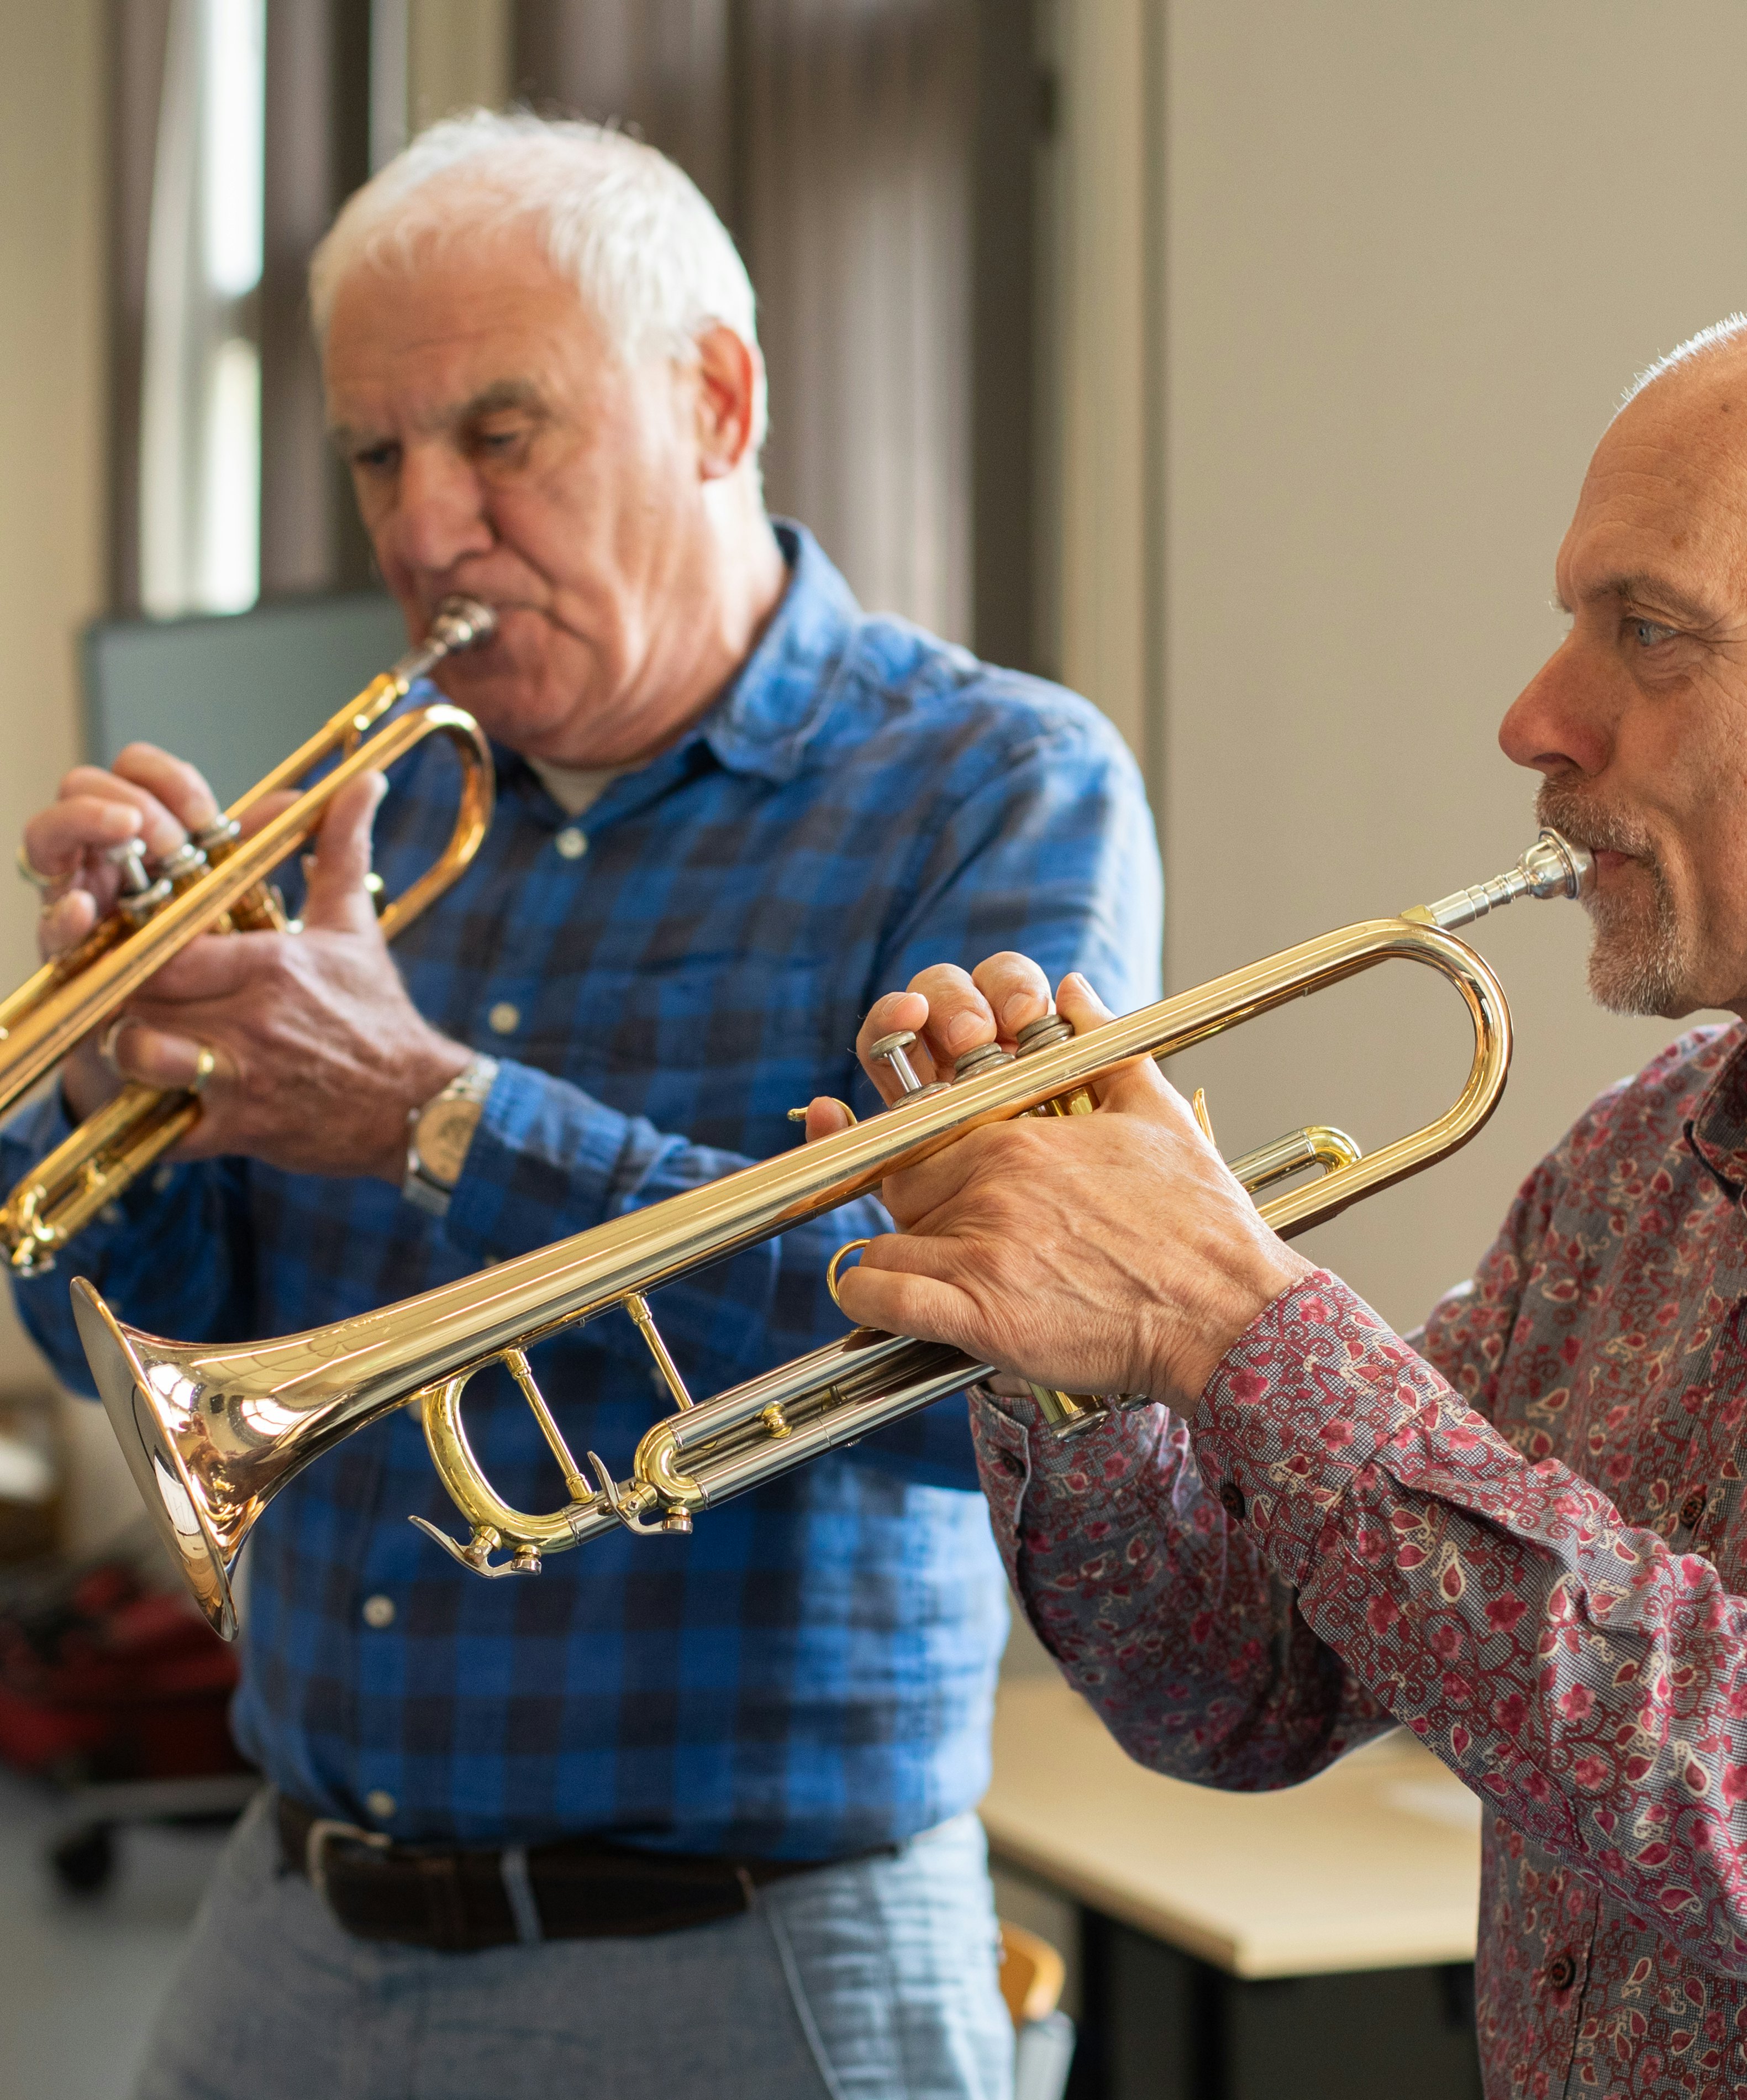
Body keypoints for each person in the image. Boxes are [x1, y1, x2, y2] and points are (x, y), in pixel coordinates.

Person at [815, 292, 1747, 2098]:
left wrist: (1238, 1321)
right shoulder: (1644, 1167)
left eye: (1650, 634)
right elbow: (1241, 1685)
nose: (1537, 718)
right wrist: (1076, 1357)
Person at [7, 113, 1159, 2100]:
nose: (422, 526)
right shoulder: (355, 820)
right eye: (378, 454)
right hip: (296, 1917)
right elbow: (153, 1355)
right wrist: (122, 1109)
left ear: (716, 401)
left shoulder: (994, 786)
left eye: (500, 436)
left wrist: (440, 1118)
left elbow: (971, 1381)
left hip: (746, 1947)